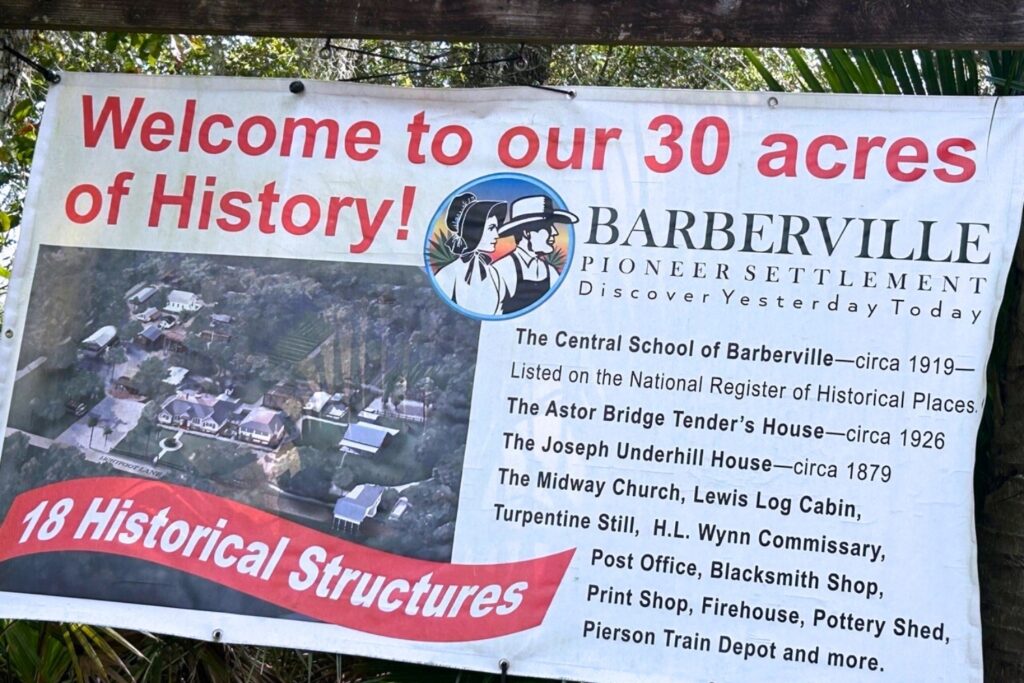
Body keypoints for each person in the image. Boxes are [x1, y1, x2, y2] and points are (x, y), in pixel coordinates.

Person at [494, 194, 578, 314]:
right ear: (526, 233)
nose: (554, 232)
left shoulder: (551, 271)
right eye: (548, 227)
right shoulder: (501, 270)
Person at [433, 192, 507, 316]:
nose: (497, 235)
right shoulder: (447, 274)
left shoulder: (494, 274)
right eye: (491, 228)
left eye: (496, 228)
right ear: (473, 231)